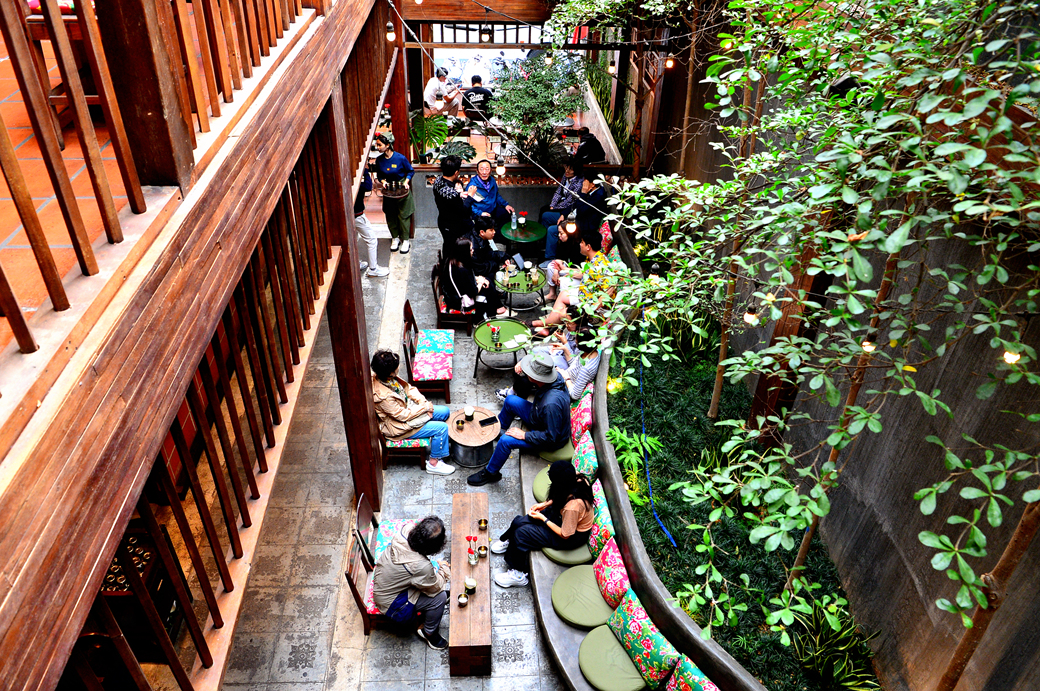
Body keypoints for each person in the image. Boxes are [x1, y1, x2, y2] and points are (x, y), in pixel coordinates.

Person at [467, 351, 571, 486]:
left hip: (549, 439)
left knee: (506, 441)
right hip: (538, 416)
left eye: (530, 372)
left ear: (539, 378)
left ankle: (490, 473)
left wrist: (524, 435)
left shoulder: (551, 405)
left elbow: (552, 437)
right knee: (510, 400)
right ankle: (499, 430)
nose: (527, 373)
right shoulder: (554, 377)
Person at [491, 462, 594, 587]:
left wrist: (543, 518)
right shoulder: (577, 478)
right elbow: (564, 494)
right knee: (519, 521)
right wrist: (545, 504)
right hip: (562, 516)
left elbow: (565, 534)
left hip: (571, 536)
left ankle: (519, 575)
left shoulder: (573, 507)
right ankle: (511, 541)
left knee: (521, 534)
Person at [370, 350, 456, 476]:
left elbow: (408, 389)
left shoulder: (386, 378)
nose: (399, 366)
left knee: (444, 412)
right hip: (399, 426)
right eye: (396, 366)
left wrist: (423, 402)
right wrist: (425, 408)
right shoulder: (383, 397)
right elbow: (403, 416)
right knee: (441, 428)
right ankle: (434, 463)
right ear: (391, 372)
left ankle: (440, 443)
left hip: (408, 409)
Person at [372, 516, 452, 649]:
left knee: (426, 579)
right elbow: (436, 586)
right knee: (440, 597)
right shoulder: (421, 566)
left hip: (386, 579)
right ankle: (428, 632)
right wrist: (444, 568)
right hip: (391, 602)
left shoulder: (406, 530)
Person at [533, 229, 609, 335]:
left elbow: (608, 292)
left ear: (588, 246)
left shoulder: (600, 266)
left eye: (582, 242)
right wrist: (565, 269)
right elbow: (585, 273)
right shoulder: (594, 258)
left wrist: (592, 309)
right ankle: (548, 326)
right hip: (585, 294)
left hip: (592, 305)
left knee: (563, 313)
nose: (580, 244)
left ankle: (540, 323)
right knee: (563, 294)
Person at [541, 175, 607, 282]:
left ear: (592, 184)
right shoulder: (590, 192)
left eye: (585, 182)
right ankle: (549, 251)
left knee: (554, 230)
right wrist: (563, 214)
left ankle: (552, 258)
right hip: (573, 218)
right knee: (546, 216)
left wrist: (583, 193)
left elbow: (581, 210)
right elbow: (574, 204)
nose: (583, 184)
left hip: (583, 226)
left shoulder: (598, 196)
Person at [440, 236, 506, 321]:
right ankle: (483, 317)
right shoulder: (463, 270)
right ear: (464, 252)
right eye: (470, 249)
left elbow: (461, 280)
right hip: (459, 302)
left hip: (451, 295)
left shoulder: (451, 260)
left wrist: (478, 278)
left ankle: (494, 310)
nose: (473, 250)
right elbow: (473, 292)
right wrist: (481, 282)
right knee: (486, 288)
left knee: (487, 280)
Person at [371, 133, 414, 254]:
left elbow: (410, 171)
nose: (377, 147)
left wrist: (406, 182)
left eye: (379, 145)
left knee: (403, 216)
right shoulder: (379, 160)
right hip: (389, 191)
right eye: (377, 144)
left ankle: (405, 240)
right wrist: (383, 182)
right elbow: (380, 176)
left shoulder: (400, 158)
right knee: (390, 215)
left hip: (401, 189)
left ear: (388, 145)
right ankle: (395, 238)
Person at [432, 155, 473, 254]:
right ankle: (451, 262)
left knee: (447, 244)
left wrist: (459, 194)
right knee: (453, 247)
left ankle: (445, 261)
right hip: (452, 225)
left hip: (442, 220)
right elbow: (464, 211)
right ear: (456, 172)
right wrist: (470, 196)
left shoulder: (438, 181)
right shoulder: (452, 193)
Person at [539, 158, 584, 243]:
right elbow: (559, 191)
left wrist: (556, 207)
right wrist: (552, 205)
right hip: (560, 203)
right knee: (543, 209)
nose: (567, 171)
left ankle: (543, 240)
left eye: (570, 169)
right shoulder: (565, 176)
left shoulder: (579, 183)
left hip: (567, 207)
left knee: (545, 214)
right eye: (566, 167)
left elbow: (570, 201)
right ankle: (542, 238)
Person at [353, 170, 389, 277]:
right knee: (372, 240)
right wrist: (365, 171)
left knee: (354, 239)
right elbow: (368, 186)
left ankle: (355, 263)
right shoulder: (356, 183)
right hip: (357, 216)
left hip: (350, 215)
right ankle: (373, 269)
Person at [466, 159, 515, 229]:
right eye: (481, 169)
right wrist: (480, 213)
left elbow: (496, 195)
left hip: (492, 209)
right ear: (477, 171)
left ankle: (502, 235)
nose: (484, 172)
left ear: (491, 171)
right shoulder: (472, 185)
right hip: (480, 213)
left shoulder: (492, 180)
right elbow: (468, 205)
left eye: (487, 169)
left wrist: (506, 205)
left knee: (506, 213)